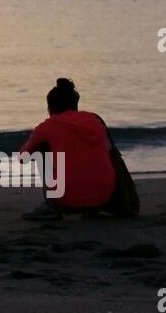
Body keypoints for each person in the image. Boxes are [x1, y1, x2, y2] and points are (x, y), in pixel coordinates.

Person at [19, 78, 118, 220]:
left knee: (42, 149)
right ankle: (91, 208)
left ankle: (51, 205)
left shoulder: (48, 126)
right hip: (103, 198)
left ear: (50, 106)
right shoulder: (95, 121)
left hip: (65, 199)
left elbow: (23, 158)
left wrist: (34, 144)